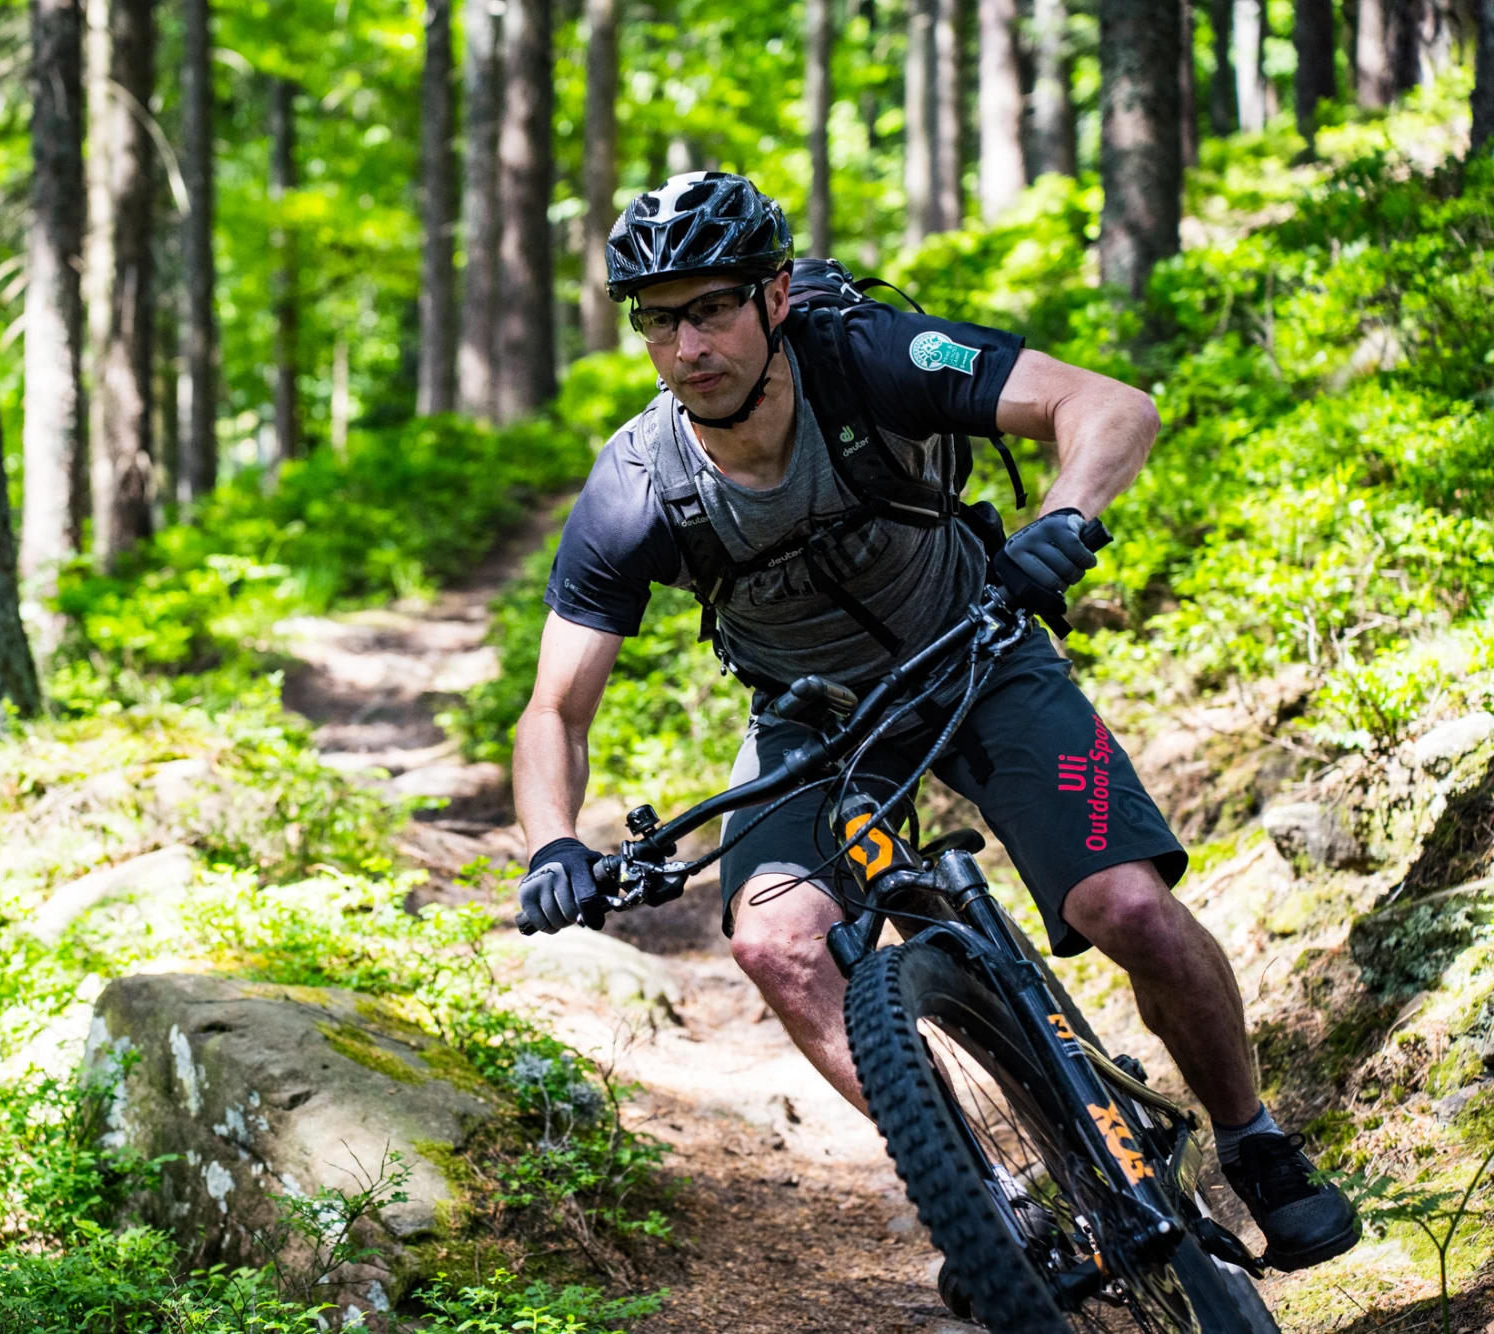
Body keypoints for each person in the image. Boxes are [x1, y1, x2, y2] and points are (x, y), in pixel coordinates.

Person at [511, 171, 1356, 1279]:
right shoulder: (633, 487)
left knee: (1127, 904)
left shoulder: (868, 357)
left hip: (981, 652)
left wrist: (1061, 526)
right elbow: (554, 708)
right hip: (812, 720)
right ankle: (985, 1187)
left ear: (772, 297)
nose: (685, 344)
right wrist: (551, 846)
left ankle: (1254, 1142)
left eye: (709, 306)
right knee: (769, 937)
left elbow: (1107, 407)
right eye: (656, 318)